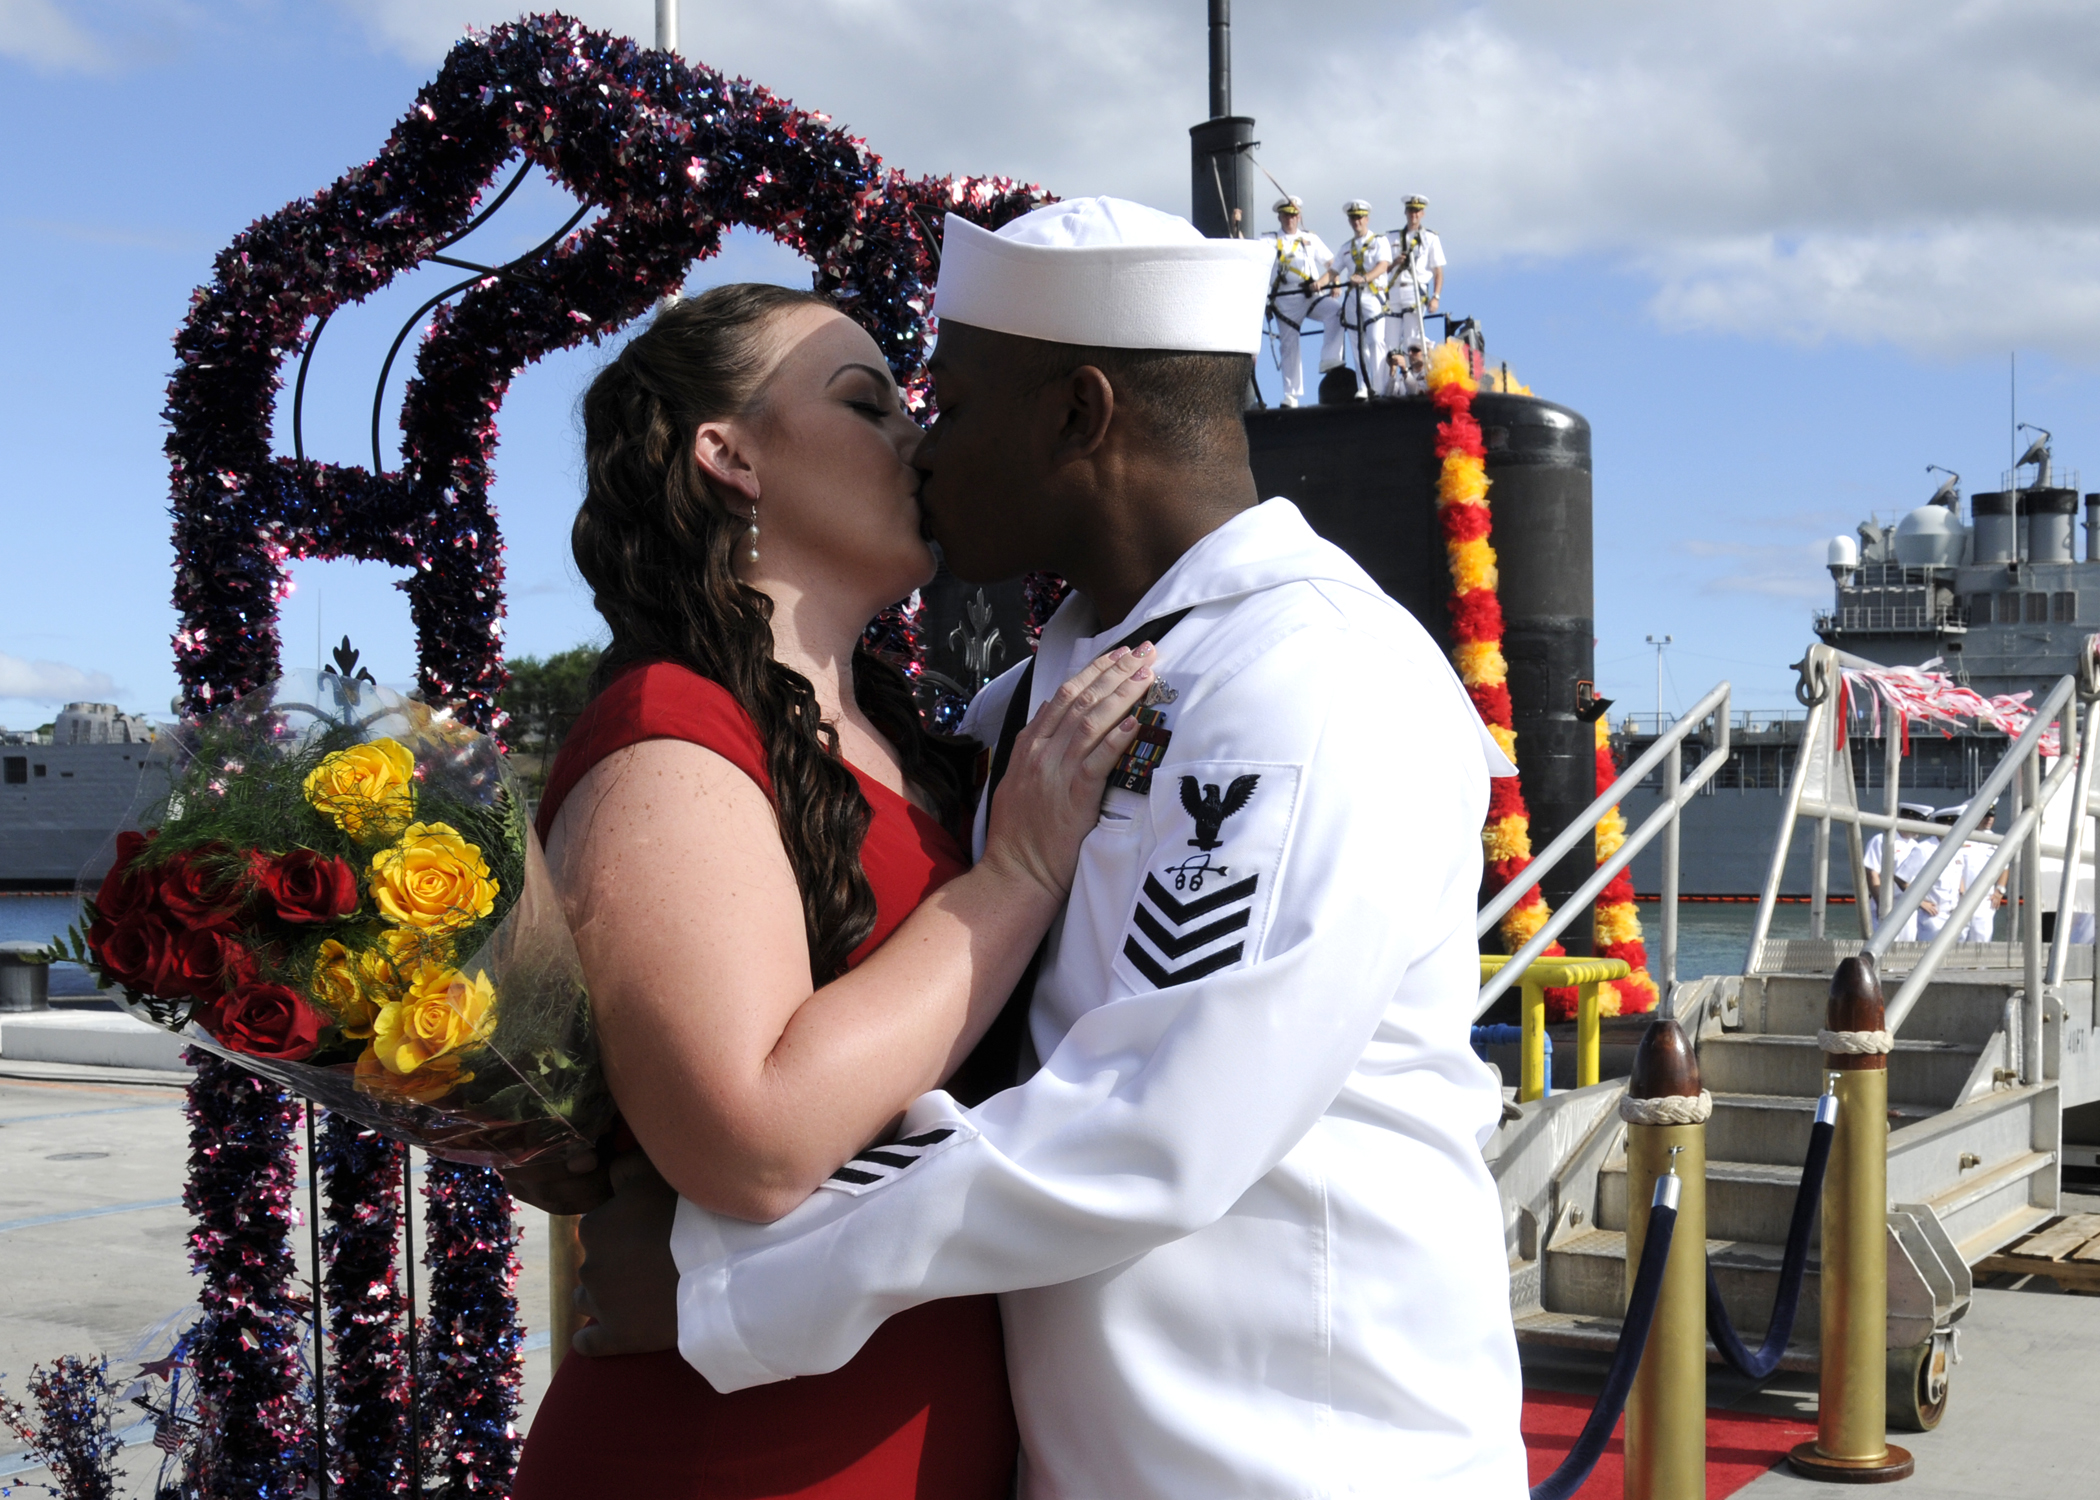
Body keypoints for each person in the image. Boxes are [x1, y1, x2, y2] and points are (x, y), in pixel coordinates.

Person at [570, 197, 1528, 1499]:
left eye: (949, 408)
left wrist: (728, 1278)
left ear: (1078, 416)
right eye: (891, 408)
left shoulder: (1311, 679)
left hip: (1296, 1457)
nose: (921, 447)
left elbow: (1154, 1127)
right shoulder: (1024, 708)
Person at [503, 281, 1160, 1499]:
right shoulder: (669, 737)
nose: (918, 437)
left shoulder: (917, 740)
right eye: (867, 403)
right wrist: (1017, 871)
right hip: (733, 1452)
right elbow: (752, 1139)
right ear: (729, 454)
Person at [1259, 196, 1332, 408]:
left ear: (1299, 216)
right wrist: (1237, 226)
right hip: (1285, 298)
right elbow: (1250, 252)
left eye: (1293, 215)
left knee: (1335, 312)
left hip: (1310, 295)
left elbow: (1331, 262)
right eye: (1286, 215)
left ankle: (1330, 358)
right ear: (1280, 217)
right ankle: (1291, 394)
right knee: (1289, 345)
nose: (1290, 219)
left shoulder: (1311, 239)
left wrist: (1332, 282)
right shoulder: (1269, 240)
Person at [1313, 199, 1391, 397]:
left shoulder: (1379, 241)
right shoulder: (1346, 247)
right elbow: (1334, 270)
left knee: (1375, 341)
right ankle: (1363, 386)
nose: (1356, 221)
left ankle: (1379, 386)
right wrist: (1319, 283)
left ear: (1367, 219)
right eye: (1353, 218)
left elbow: (1383, 265)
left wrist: (1364, 278)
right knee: (1358, 345)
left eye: (1359, 217)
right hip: (1353, 299)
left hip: (1373, 295)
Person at [1862, 799, 1933, 938]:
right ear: (1908, 819)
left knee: (1905, 948)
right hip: (1888, 904)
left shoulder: (1915, 846)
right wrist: (1882, 904)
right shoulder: (1882, 840)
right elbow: (1872, 873)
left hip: (1908, 906)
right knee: (1882, 947)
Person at [1385, 193, 1445, 357]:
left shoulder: (1430, 238)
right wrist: (1395, 263)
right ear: (1406, 212)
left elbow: (1437, 270)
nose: (1414, 214)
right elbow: (1382, 268)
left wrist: (1436, 297)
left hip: (1416, 290)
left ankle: (1407, 376)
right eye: (1411, 210)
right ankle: (1388, 380)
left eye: (1417, 211)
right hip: (1394, 290)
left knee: (1412, 339)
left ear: (1422, 213)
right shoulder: (1391, 237)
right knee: (1389, 340)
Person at [1898, 807, 1963, 941]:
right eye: (1952, 825)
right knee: (1930, 958)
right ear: (1943, 826)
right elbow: (1901, 878)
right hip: (1934, 916)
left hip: (1955, 915)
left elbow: (1958, 877)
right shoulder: (1924, 849)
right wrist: (1920, 902)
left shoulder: (1957, 849)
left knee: (1954, 960)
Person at [1959, 803, 2007, 942]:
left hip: (1985, 900)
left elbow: (2004, 867)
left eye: (1992, 815)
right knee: (1957, 941)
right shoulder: (1963, 838)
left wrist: (1999, 891)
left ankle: (1979, 965)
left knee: (1982, 941)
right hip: (1962, 898)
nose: (1989, 819)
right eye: (1986, 815)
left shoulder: (1997, 840)